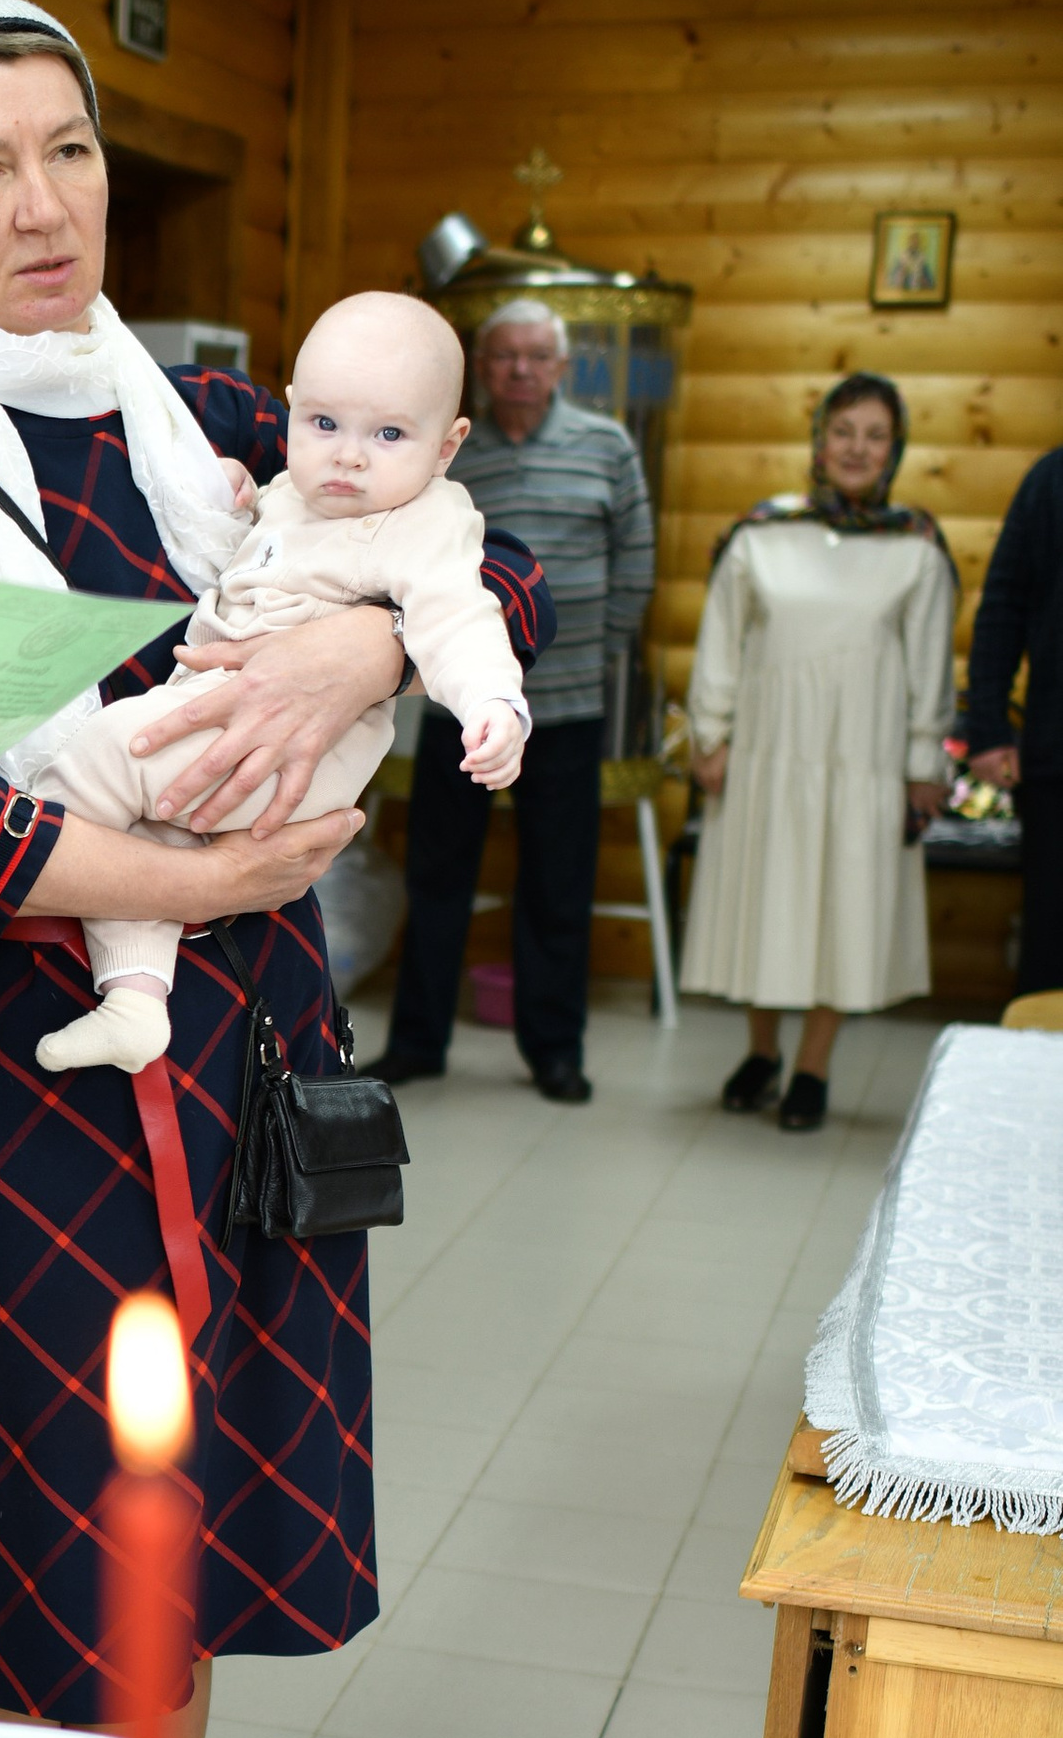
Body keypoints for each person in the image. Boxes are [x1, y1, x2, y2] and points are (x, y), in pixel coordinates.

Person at [0, 0, 552, 1738]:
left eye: (69, 151)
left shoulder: (214, 418)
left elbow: (489, 552)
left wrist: (359, 656)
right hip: (24, 1094)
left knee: (190, 1563)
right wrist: (193, 884)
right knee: (43, 1580)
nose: (46, 206)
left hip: (252, 1056)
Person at [36, 291, 528, 1075]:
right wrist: (231, 486)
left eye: (391, 434)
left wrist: (492, 703)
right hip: (232, 745)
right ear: (293, 411)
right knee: (149, 840)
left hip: (288, 760)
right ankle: (134, 1001)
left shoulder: (427, 520)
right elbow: (256, 547)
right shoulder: (293, 492)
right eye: (324, 425)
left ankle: (23, 855)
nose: (349, 456)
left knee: (103, 750)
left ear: (447, 445)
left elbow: (464, 617)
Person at [378, 294, 654, 1106]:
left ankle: (554, 1051)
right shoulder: (446, 452)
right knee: (438, 878)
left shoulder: (607, 448)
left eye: (538, 356)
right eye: (505, 355)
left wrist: (581, 658)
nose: (522, 370)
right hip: (455, 709)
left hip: (565, 712)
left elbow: (634, 568)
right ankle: (418, 1042)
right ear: (482, 364)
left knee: (558, 887)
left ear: (562, 367)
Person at [683, 371, 954, 1134]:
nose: (857, 449)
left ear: (894, 449)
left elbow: (930, 666)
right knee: (768, 895)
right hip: (769, 752)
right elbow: (720, 645)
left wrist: (923, 766)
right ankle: (763, 1051)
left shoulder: (918, 549)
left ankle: (813, 1065)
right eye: (845, 432)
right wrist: (711, 733)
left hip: (862, 762)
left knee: (845, 901)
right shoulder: (761, 535)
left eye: (875, 436)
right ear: (819, 441)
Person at [959, 442, 1063, 998]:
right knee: (1051, 959)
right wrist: (990, 728)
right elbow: (1003, 606)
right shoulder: (1051, 480)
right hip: (1055, 763)